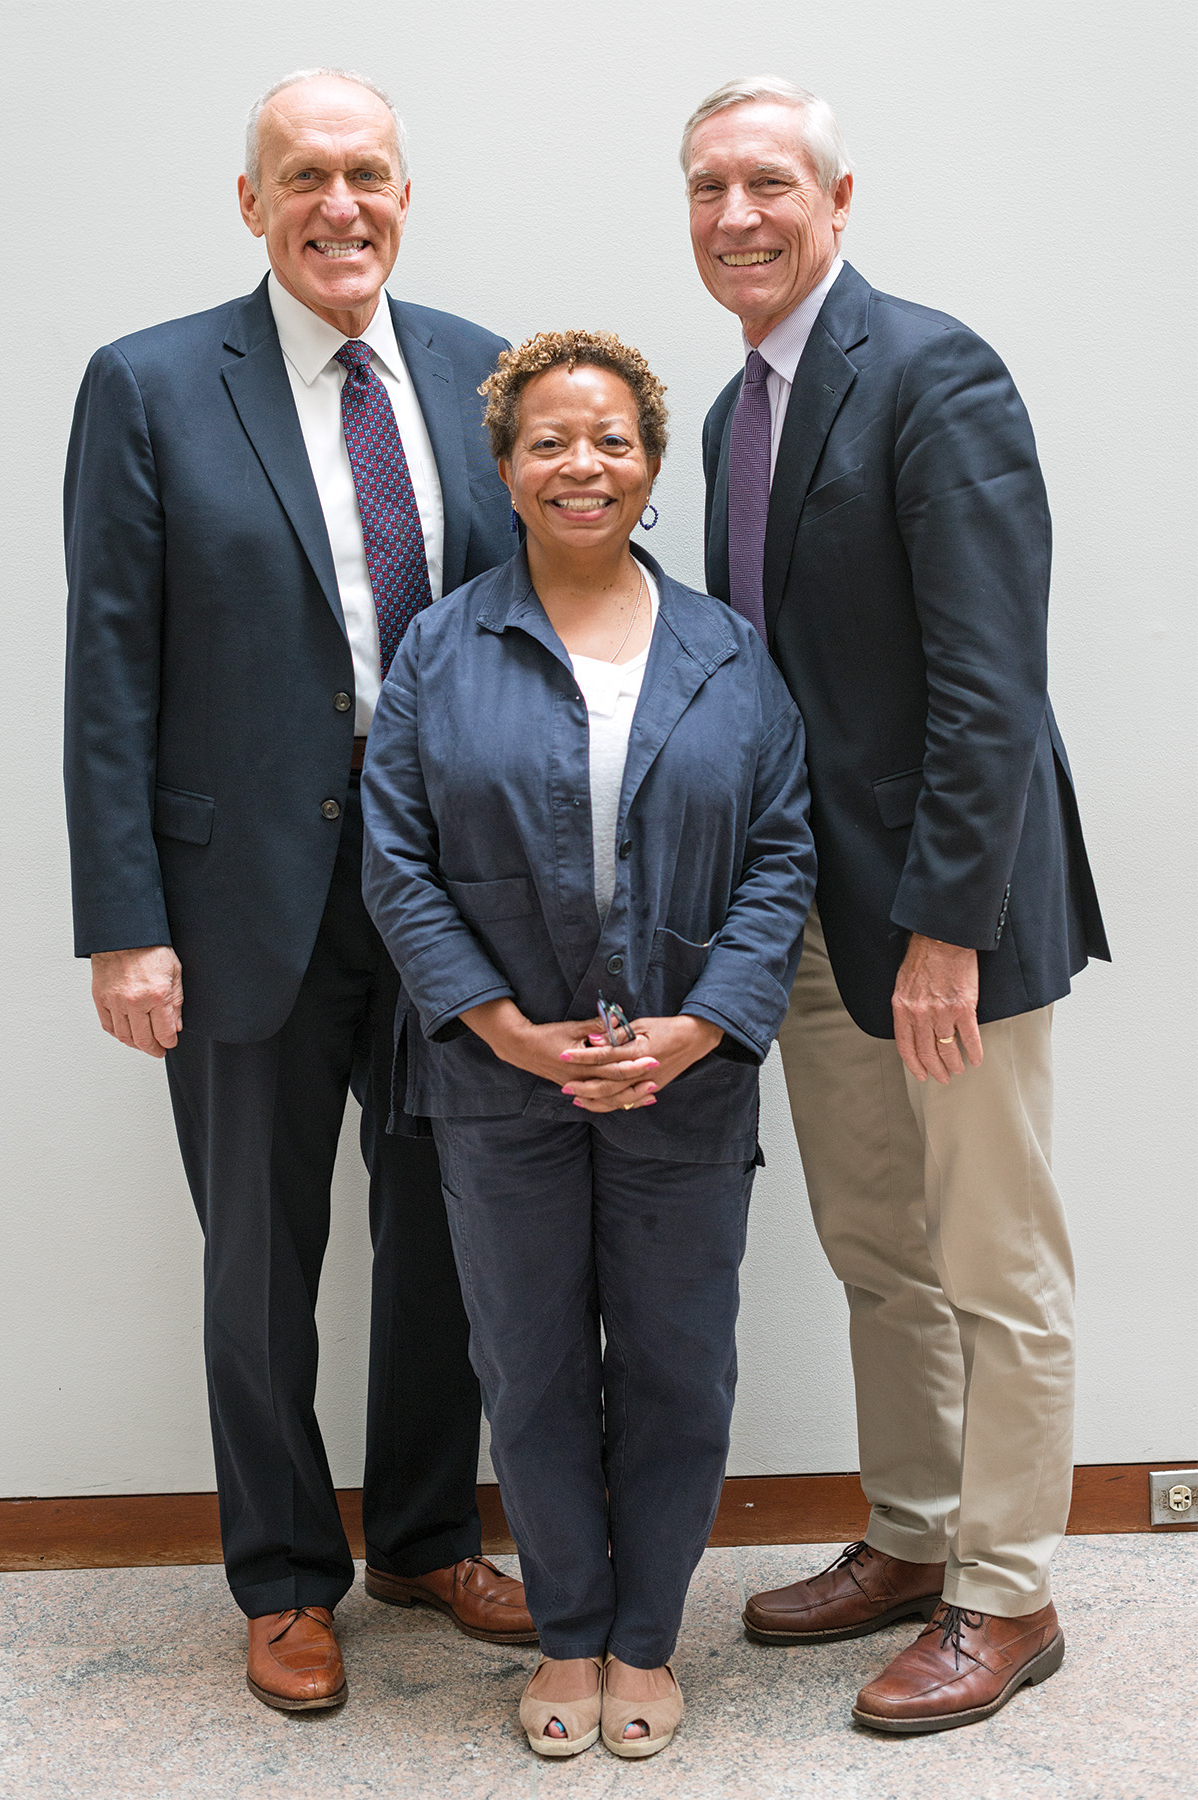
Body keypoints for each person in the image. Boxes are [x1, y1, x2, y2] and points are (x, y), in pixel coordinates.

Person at [62, 67, 534, 1712]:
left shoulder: (486, 373)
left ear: (406, 194)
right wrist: (124, 919)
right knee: (256, 1256)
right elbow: (110, 668)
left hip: (453, 899)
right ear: (250, 202)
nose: (345, 204)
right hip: (239, 900)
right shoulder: (147, 385)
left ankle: (419, 1529)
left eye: (373, 173)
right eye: (309, 175)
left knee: (453, 1236)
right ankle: (280, 1574)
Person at [684, 76, 1109, 1734]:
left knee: (995, 1258)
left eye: (770, 183)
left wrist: (948, 928)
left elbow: (993, 687)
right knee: (877, 1247)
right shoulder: (729, 419)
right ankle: (918, 1536)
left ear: (837, 199)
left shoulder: (934, 372)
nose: (739, 215)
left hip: (954, 917)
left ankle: (1011, 1595)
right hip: (811, 917)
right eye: (709, 186)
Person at [361, 330, 816, 1758]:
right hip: (499, 1086)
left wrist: (697, 1028)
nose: (583, 464)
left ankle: (644, 1638)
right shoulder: (443, 646)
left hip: (688, 1079)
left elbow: (783, 854)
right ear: (503, 468)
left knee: (680, 1362)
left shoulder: (728, 647)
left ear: (650, 465)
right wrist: (501, 1029)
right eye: (550, 440)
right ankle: (566, 1633)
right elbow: (397, 859)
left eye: (611, 439)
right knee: (533, 1362)